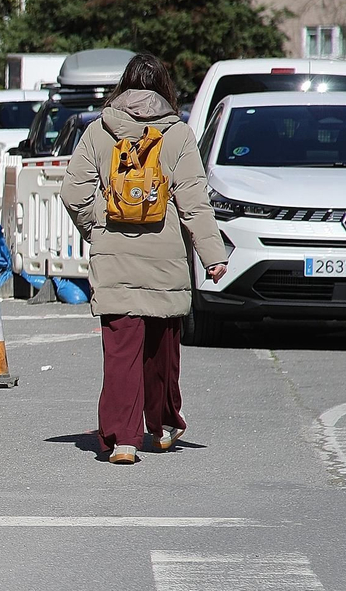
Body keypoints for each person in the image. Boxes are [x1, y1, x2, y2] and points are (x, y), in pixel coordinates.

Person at [61, 53, 227, 465]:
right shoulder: (178, 134)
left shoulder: (101, 131)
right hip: (165, 258)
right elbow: (193, 200)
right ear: (165, 89)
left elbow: (73, 193)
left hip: (114, 258)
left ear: (124, 85)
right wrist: (212, 255)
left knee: (121, 352)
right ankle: (163, 425)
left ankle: (123, 439)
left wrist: (97, 227)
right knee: (162, 351)